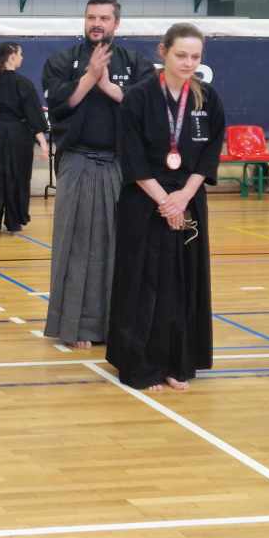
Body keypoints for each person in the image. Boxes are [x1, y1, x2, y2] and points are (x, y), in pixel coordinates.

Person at [107, 23, 221, 391]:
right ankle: (140, 365)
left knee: (182, 283)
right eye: (181, 55)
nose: (188, 63)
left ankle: (176, 362)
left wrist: (184, 198)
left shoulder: (207, 99)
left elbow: (209, 154)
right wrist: (166, 202)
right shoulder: (138, 98)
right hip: (145, 203)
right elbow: (133, 157)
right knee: (144, 284)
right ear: (163, 52)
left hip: (188, 201)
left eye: (195, 57)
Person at [40, 0, 142, 347]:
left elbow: (145, 106)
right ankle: (76, 326)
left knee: (118, 247)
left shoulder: (135, 63)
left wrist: (110, 86)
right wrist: (90, 77)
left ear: (117, 23)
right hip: (77, 162)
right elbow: (59, 103)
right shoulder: (62, 60)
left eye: (104, 18)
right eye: (91, 17)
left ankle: (115, 324)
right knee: (76, 245)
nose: (96, 23)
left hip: (119, 165)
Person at [0, 43, 49, 236]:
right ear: (12, 56)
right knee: (18, 176)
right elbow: (33, 115)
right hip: (18, 135)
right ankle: (14, 221)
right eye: (21, 54)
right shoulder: (23, 84)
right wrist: (43, 142)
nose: (22, 58)